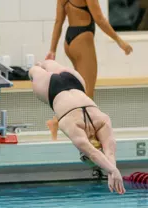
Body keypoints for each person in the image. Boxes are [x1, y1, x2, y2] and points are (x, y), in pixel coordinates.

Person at [28, 60, 126, 194]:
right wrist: (111, 170)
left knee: (44, 64)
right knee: (34, 70)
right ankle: (38, 63)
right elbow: (97, 152)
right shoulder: (75, 129)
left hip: (75, 82)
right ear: (82, 153)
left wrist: (112, 170)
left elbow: (106, 151)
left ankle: (41, 62)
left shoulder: (102, 120)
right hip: (50, 89)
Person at [45, 0, 133, 141]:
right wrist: (119, 41)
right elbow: (100, 19)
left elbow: (58, 22)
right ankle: (90, 136)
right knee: (88, 94)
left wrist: (52, 50)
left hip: (69, 41)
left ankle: (56, 121)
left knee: (79, 91)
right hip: (82, 40)